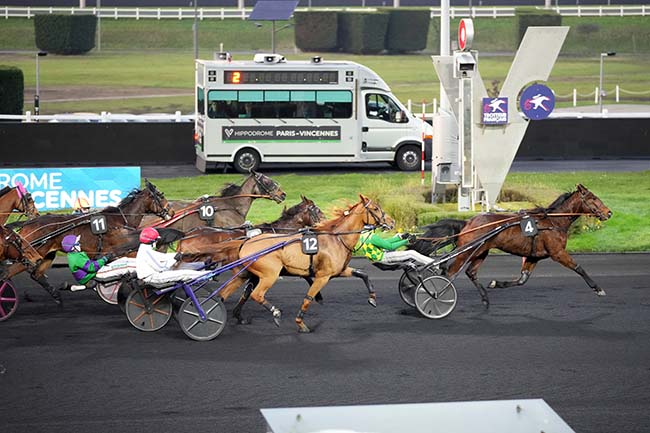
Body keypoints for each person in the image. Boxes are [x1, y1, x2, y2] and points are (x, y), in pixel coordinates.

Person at [136, 227, 210, 286]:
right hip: (153, 277)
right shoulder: (147, 251)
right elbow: (161, 267)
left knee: (184, 266)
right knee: (184, 273)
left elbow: (162, 256)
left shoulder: (145, 248)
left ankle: (204, 265)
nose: (157, 242)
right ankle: (208, 275)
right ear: (151, 241)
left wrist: (179, 254)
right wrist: (174, 259)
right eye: (156, 240)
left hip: (154, 273)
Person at [357, 230, 433, 268]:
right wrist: (406, 241)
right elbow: (390, 247)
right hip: (382, 257)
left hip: (378, 257)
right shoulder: (371, 237)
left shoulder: (363, 236)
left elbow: (384, 242)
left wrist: (400, 238)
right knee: (411, 253)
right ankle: (434, 264)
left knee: (397, 235)